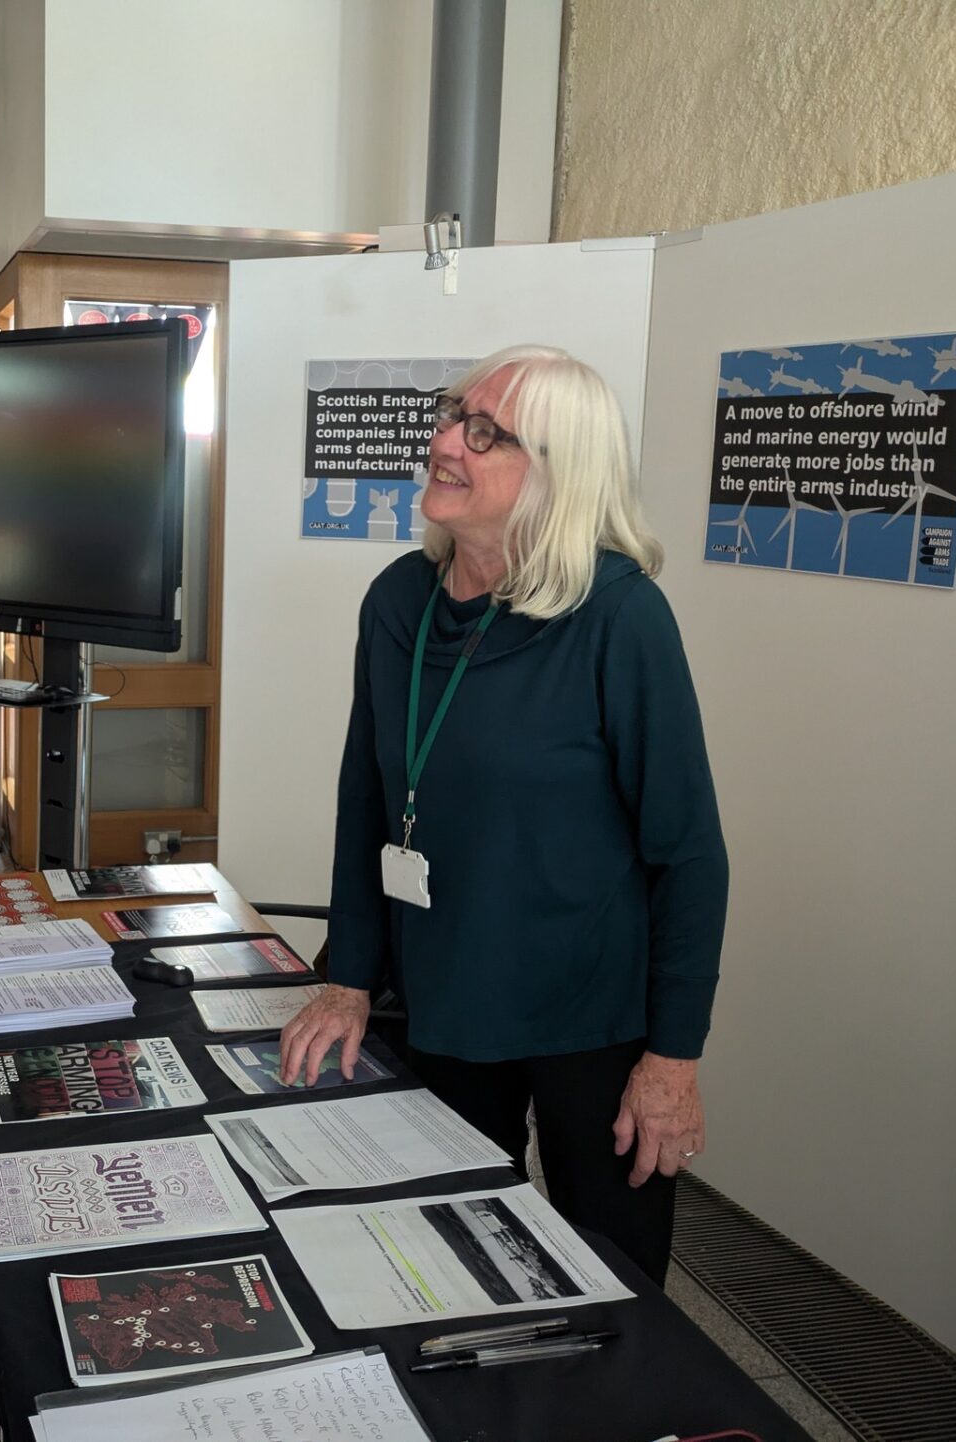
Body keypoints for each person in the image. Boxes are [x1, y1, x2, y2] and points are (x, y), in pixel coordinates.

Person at [278, 344, 728, 1285]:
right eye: (452, 416)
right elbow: (367, 800)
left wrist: (673, 1059)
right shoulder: (399, 600)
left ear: (560, 473)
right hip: (436, 995)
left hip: (590, 1021)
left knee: (611, 1286)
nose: (446, 441)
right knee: (443, 1264)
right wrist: (350, 978)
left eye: (485, 433)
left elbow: (688, 854)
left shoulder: (619, 617)